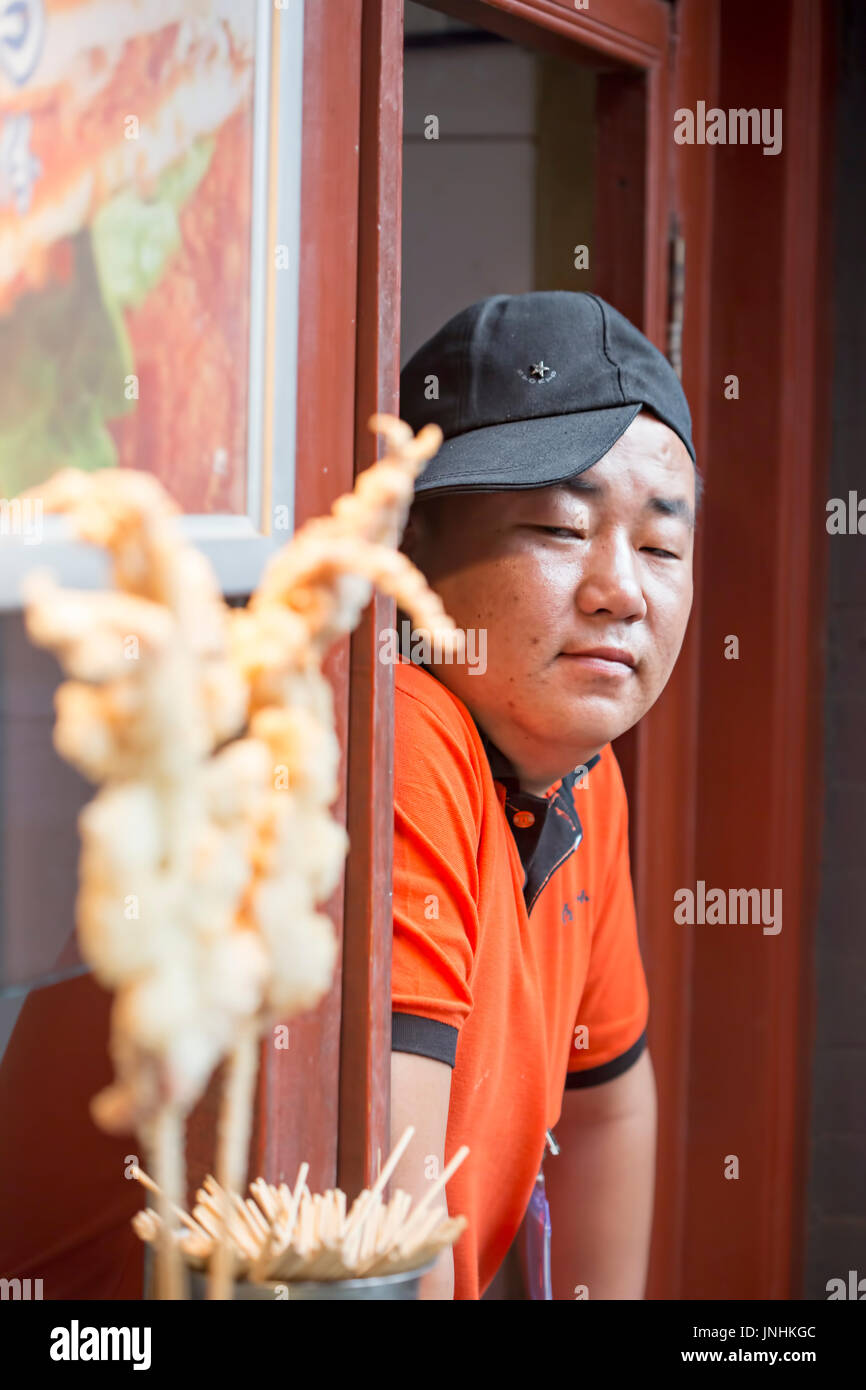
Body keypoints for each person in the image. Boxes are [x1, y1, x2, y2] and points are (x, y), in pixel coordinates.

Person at [386, 290, 700, 1300]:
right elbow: (395, 1216)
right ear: (410, 550)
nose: (622, 590)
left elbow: (607, 1103)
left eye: (658, 547)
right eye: (559, 527)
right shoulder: (392, 727)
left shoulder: (579, 775)